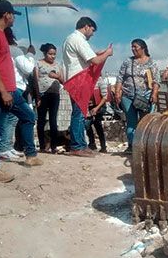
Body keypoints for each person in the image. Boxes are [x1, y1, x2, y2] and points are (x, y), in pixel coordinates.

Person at [0, 0, 42, 182]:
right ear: (6, 15)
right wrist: (3, 91)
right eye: (13, 14)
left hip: (9, 89)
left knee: (28, 116)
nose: (14, 18)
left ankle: (31, 156)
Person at [62, 17, 113, 157]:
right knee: (79, 114)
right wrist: (107, 54)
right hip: (79, 79)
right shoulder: (78, 39)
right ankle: (77, 146)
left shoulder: (71, 39)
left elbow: (88, 56)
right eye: (92, 30)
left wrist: (100, 53)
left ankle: (81, 145)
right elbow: (95, 60)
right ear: (86, 27)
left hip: (75, 79)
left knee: (80, 113)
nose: (93, 33)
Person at [0, 28, 37, 161]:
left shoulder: (1, 49)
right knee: (20, 117)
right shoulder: (14, 50)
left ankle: (6, 147)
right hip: (15, 86)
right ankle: (4, 148)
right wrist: (31, 55)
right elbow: (28, 69)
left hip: (6, 86)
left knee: (9, 118)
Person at [115, 39, 159, 154]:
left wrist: (154, 94)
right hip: (128, 96)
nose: (133, 49)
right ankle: (132, 146)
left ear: (143, 48)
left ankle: (144, 146)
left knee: (145, 122)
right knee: (131, 121)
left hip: (145, 97)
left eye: (135, 47)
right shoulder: (127, 62)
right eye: (132, 47)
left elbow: (156, 80)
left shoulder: (151, 63)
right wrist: (118, 92)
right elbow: (120, 77)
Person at [35, 43, 63, 153]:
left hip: (55, 94)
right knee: (41, 120)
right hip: (42, 94)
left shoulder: (57, 65)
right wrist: (37, 97)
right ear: (45, 53)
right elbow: (36, 80)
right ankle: (42, 145)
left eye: (54, 54)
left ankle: (54, 146)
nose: (53, 56)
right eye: (50, 54)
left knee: (53, 120)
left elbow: (62, 80)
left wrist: (56, 76)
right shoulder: (39, 63)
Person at [86, 76, 108, 153]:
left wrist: (97, 108)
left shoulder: (100, 80)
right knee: (88, 125)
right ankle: (93, 144)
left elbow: (105, 97)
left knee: (96, 124)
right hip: (90, 106)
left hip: (99, 106)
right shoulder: (86, 80)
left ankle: (101, 145)